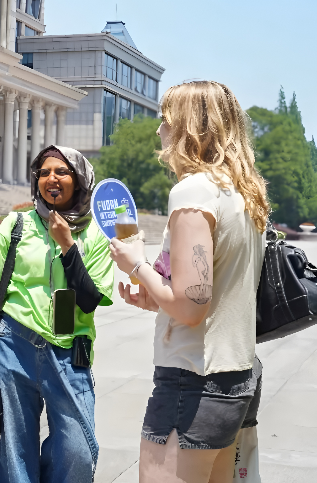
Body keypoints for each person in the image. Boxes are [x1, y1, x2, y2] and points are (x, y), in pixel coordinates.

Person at [109, 80, 270, 483]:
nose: (158, 131)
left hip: (191, 383)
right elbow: (210, 293)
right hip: (236, 377)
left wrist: (135, 264)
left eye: (165, 120)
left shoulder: (194, 190)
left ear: (189, 128)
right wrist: (155, 298)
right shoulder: (243, 195)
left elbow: (192, 307)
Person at [0, 145, 115, 483]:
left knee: (78, 450)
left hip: (70, 352)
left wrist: (67, 244)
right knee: (16, 449)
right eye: (44, 172)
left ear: (80, 178)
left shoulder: (95, 234)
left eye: (62, 171)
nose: (51, 178)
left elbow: (88, 300)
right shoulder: (17, 224)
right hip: (14, 344)